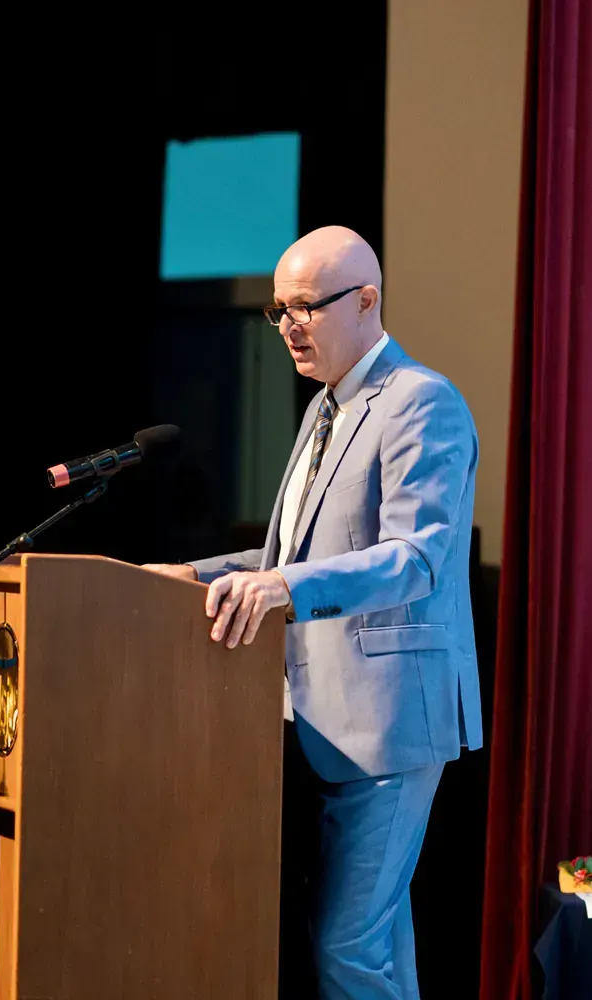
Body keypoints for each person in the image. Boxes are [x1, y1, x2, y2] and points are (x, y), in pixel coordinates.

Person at [144, 225, 481, 999]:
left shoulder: (420, 402)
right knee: (372, 949)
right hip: (318, 716)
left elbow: (417, 558)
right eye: (279, 310)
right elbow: (290, 555)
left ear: (366, 301)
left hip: (390, 722)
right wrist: (190, 575)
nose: (288, 326)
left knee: (346, 950)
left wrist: (283, 589)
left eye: (306, 307)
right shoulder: (325, 408)